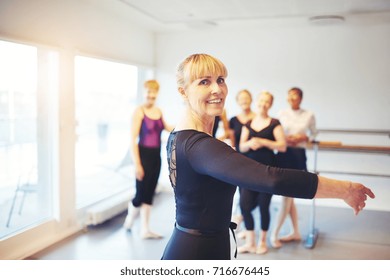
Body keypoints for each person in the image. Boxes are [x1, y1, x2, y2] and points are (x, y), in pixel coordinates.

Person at [161, 53, 374, 260]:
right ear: (183, 92)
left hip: (203, 245)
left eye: (221, 80)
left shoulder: (180, 136)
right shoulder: (200, 146)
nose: (217, 89)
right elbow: (272, 179)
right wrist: (345, 189)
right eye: (204, 82)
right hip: (195, 254)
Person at [237, 91, 286, 255]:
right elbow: (241, 147)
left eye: (267, 101)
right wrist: (251, 142)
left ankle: (262, 241)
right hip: (248, 171)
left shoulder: (274, 123)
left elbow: (282, 146)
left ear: (270, 104)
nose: (263, 104)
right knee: (244, 205)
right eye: (261, 100)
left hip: (267, 172)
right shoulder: (249, 123)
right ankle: (250, 242)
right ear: (257, 102)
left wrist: (264, 142)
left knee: (264, 206)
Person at [123, 79, 173, 239]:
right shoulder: (139, 112)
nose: (151, 95)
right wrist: (137, 164)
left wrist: (186, 127)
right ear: (144, 92)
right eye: (148, 92)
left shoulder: (158, 111)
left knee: (150, 192)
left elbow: (167, 128)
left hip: (156, 156)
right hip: (143, 156)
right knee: (140, 194)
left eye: (154, 93)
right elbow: (132, 140)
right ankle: (129, 219)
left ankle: (145, 229)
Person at [271, 87, 317, 248]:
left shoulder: (308, 114)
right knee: (288, 197)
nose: (291, 100)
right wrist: (285, 138)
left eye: (294, 97)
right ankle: (295, 232)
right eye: (289, 97)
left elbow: (314, 134)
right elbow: (274, 132)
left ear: (300, 99)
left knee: (288, 197)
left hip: (298, 155)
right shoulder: (281, 113)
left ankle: (274, 234)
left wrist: (304, 137)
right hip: (284, 155)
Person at [228, 89, 255, 232]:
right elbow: (232, 141)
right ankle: (244, 222)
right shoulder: (233, 120)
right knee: (242, 192)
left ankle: (244, 221)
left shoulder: (258, 118)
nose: (244, 101)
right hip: (239, 159)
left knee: (253, 193)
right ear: (238, 102)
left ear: (251, 99)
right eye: (241, 99)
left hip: (256, 161)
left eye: (247, 98)